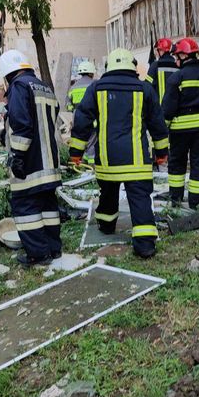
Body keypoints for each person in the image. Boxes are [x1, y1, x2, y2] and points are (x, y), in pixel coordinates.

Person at [69, 48, 169, 258]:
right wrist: (161, 152)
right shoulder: (145, 89)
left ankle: (106, 226)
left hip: (108, 159)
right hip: (138, 161)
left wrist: (76, 152)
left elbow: (82, 120)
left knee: (108, 194)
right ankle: (145, 246)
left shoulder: (96, 88)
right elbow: (157, 125)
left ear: (109, 67)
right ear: (132, 67)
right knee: (140, 199)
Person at [0, 50, 63, 267]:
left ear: (7, 74)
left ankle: (38, 254)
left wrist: (17, 157)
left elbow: (23, 125)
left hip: (30, 163)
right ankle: (53, 249)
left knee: (25, 208)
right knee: (48, 206)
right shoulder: (44, 86)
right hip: (49, 163)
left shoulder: (18, 86)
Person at [161, 38, 199, 209]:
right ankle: (197, 202)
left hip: (180, 130)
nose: (175, 60)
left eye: (176, 56)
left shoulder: (176, 78)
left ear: (183, 55)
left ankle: (176, 198)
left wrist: (163, 128)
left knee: (177, 163)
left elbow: (168, 108)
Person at [67, 60, 97, 163]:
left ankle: (80, 163)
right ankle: (92, 167)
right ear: (91, 72)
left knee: (79, 143)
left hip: (78, 121)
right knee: (92, 142)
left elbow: (69, 107)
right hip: (93, 120)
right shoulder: (95, 84)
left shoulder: (73, 87)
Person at [145, 38, 178, 104]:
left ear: (161, 50)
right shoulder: (177, 65)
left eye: (157, 50)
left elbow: (147, 86)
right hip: (175, 108)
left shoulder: (155, 65)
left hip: (160, 108)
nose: (156, 53)